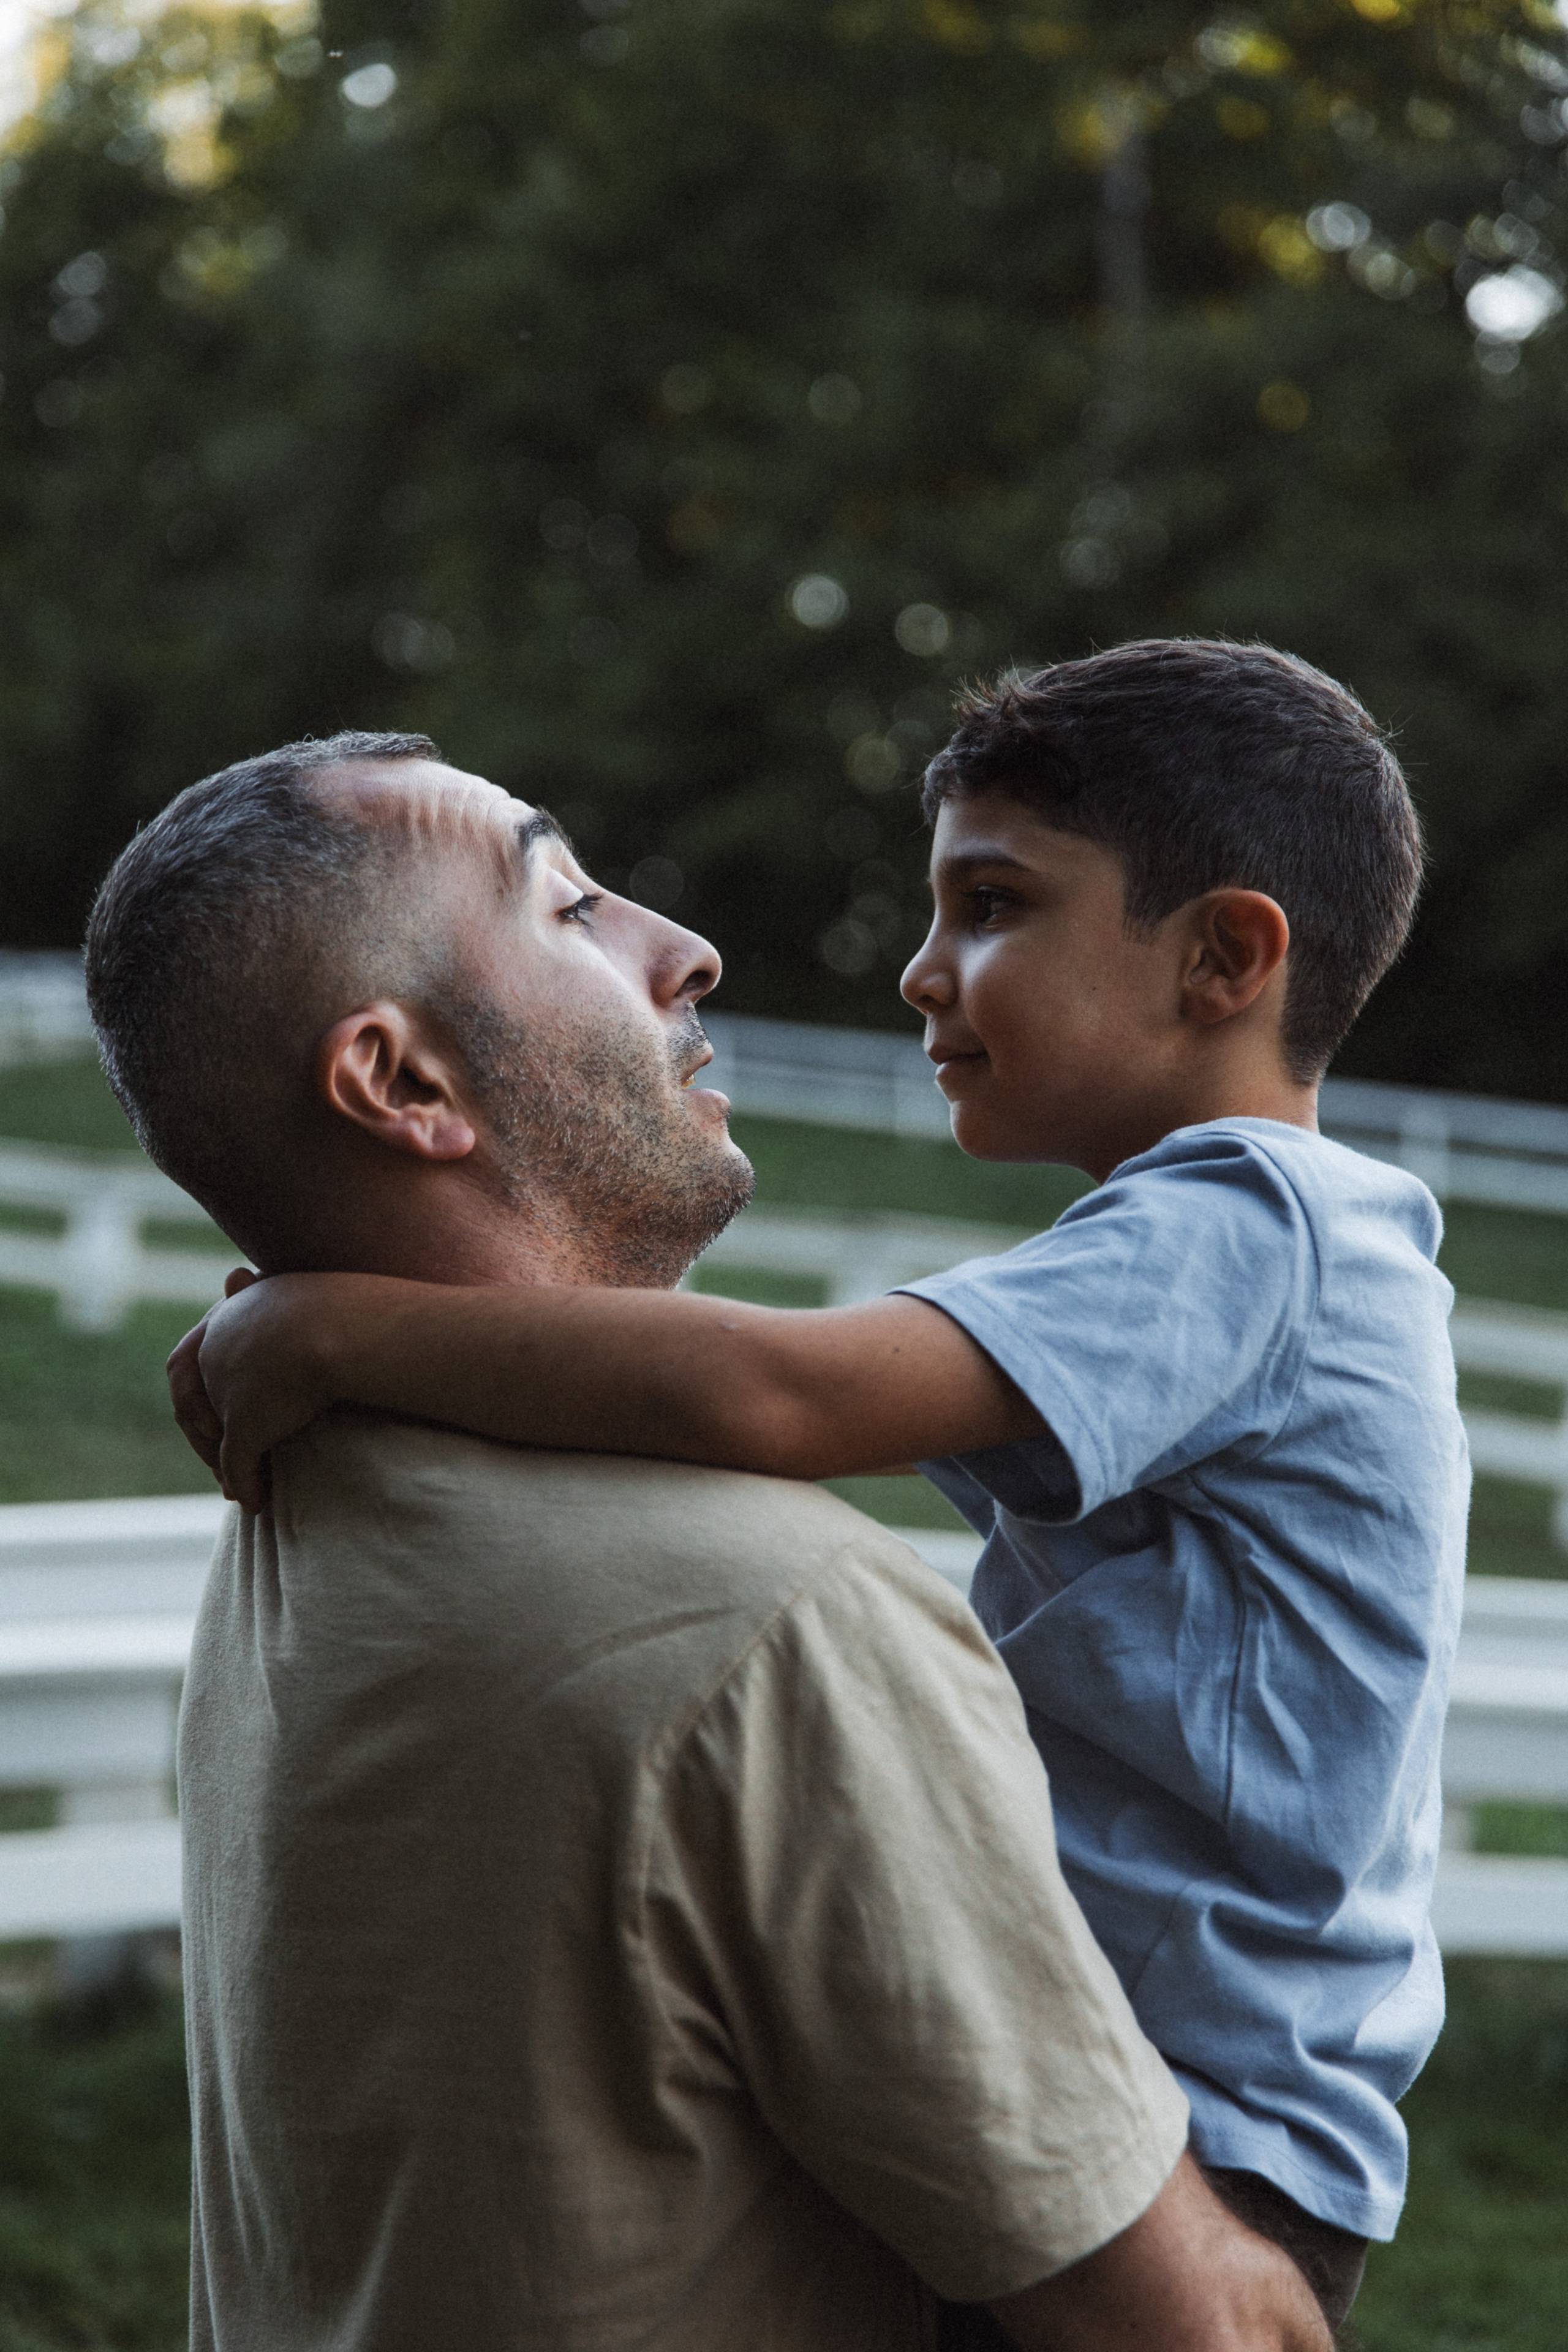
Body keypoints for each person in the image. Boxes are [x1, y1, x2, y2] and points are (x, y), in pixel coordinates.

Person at [171, 642, 1471, 2342]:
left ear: (1224, 955)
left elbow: (775, 1391)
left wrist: (336, 1326)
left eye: (993, 905)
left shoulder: (1258, 1236)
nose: (926, 974)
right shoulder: (1191, 1259)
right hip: (1149, 2058)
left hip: (1215, 2112)